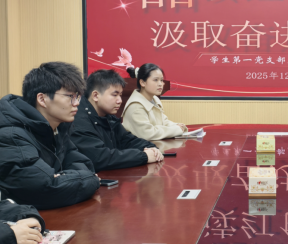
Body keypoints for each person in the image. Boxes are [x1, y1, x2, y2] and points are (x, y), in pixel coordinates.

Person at [0, 62, 100, 210]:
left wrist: (64, 177)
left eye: (78, 96)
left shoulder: (58, 127)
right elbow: (47, 189)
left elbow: (83, 164)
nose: (76, 103)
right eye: (70, 96)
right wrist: (90, 179)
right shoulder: (12, 135)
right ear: (42, 99)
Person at [71, 69, 164, 172]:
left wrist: (151, 148)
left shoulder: (107, 116)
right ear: (96, 96)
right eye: (115, 95)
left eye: (120, 95)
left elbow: (127, 139)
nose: (120, 100)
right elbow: (100, 158)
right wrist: (144, 156)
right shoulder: (78, 120)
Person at [121, 64, 187, 141]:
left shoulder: (154, 99)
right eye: (156, 80)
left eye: (161, 80)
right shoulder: (135, 106)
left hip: (154, 145)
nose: (160, 84)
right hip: (139, 147)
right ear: (142, 82)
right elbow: (148, 133)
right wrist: (176, 130)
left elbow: (163, 121)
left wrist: (177, 126)